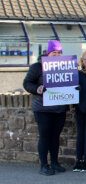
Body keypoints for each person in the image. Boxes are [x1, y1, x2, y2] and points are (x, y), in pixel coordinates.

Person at [23, 40, 68, 175]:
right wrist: (37, 88)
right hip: (42, 108)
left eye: (59, 52)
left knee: (55, 136)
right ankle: (44, 165)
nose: (57, 55)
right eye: (54, 52)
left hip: (60, 108)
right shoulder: (37, 67)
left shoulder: (65, 66)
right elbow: (27, 83)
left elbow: (70, 82)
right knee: (45, 136)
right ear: (48, 53)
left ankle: (54, 162)